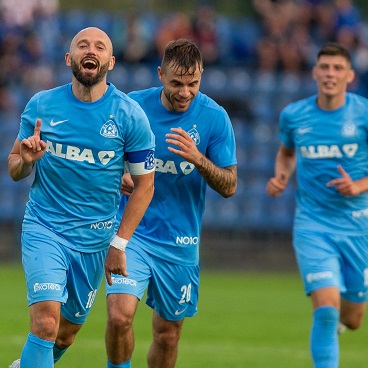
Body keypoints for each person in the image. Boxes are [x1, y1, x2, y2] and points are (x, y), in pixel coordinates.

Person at [7, 27, 155, 368]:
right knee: (45, 323)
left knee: (65, 333)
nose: (92, 50)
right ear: (69, 58)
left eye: (100, 46)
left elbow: (145, 185)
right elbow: (14, 166)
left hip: (95, 240)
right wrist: (26, 162)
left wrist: (119, 244)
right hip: (46, 228)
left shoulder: (129, 115)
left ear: (111, 61)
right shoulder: (42, 105)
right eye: (83, 45)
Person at [266, 42, 368, 368]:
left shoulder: (367, 114)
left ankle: (341, 323)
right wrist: (282, 176)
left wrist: (359, 185)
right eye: (325, 67)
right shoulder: (294, 115)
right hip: (312, 223)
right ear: (315, 72)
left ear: (350, 75)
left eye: (337, 68)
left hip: (357, 223)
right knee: (327, 309)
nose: (330, 73)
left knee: (353, 318)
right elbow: (286, 153)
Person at [104, 38, 237, 368]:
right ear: (161, 74)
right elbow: (100, 155)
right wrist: (113, 176)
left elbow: (230, 186)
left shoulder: (214, 118)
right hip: (132, 235)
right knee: (120, 317)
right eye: (177, 83)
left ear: (202, 76)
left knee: (167, 334)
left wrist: (198, 159)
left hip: (180, 242)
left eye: (193, 84)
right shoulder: (133, 108)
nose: (185, 92)